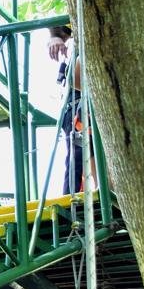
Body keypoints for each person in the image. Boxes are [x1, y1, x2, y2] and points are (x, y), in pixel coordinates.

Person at [47, 25, 83, 194]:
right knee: (79, 153)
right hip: (77, 105)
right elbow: (59, 27)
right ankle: (73, 198)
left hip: (84, 102)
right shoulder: (78, 33)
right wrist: (55, 37)